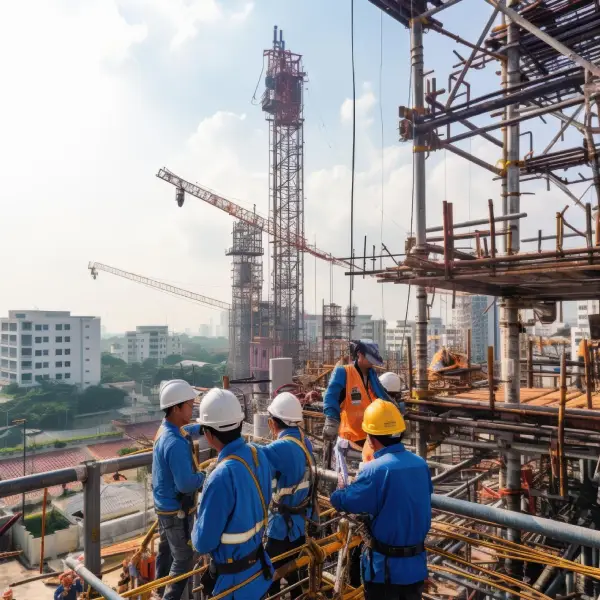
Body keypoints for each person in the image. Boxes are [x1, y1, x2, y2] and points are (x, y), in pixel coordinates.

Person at [330, 399, 432, 600]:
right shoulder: (420, 465)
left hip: (386, 573)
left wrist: (339, 491)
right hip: (415, 568)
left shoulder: (375, 470)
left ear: (371, 439)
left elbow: (346, 501)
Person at [192, 388, 273, 599]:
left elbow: (203, 543)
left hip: (232, 585)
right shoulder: (258, 455)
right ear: (239, 423)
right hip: (257, 573)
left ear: (209, 435)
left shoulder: (220, 477)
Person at [153, 379, 206, 600]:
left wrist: (204, 427)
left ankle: (157, 590)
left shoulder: (167, 430)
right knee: (183, 558)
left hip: (164, 506)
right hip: (176, 511)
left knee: (166, 552)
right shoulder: (174, 443)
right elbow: (185, 484)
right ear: (176, 408)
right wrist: (206, 475)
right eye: (189, 405)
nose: (192, 408)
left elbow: (186, 431)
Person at [262, 392, 316, 599]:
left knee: (270, 576)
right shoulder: (305, 442)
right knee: (294, 572)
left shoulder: (280, 448)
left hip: (280, 528)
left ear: (274, 423)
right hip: (300, 524)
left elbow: (252, 459)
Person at [322, 340, 395, 486]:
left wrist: (396, 410)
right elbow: (331, 396)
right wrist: (331, 419)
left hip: (371, 436)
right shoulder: (344, 372)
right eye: (370, 359)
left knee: (372, 475)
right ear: (360, 354)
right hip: (351, 437)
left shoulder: (372, 375)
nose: (372, 363)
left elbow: (382, 396)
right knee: (345, 480)